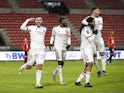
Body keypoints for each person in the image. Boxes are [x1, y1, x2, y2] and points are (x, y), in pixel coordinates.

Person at [18, 17, 47, 88]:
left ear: (42, 21)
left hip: (41, 50)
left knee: (39, 66)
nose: (38, 21)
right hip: (33, 50)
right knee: (29, 67)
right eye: (37, 20)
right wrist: (28, 20)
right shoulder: (31, 28)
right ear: (35, 21)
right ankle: (23, 67)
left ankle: (38, 83)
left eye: (40, 20)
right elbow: (21, 28)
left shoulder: (44, 29)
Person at [82, 7, 107, 77]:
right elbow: (83, 22)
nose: (99, 11)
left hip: (99, 38)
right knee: (94, 56)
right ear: (93, 11)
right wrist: (89, 24)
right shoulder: (89, 17)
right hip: (92, 39)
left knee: (102, 53)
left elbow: (100, 28)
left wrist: (92, 25)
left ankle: (104, 69)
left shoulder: (100, 18)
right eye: (98, 10)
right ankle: (98, 70)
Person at [49, 16, 71, 85]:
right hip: (57, 47)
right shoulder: (55, 28)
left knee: (62, 64)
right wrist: (51, 43)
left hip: (64, 47)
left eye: (66, 21)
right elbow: (52, 36)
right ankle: (61, 81)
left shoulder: (68, 29)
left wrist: (69, 44)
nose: (66, 22)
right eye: (65, 21)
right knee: (60, 63)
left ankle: (54, 72)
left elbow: (69, 37)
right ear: (61, 21)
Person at [75, 17, 96, 87]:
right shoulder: (86, 29)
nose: (94, 23)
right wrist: (95, 34)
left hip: (88, 48)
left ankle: (78, 81)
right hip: (85, 48)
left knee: (88, 65)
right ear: (90, 22)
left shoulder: (89, 29)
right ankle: (87, 82)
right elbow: (90, 39)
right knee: (90, 63)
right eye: (93, 21)